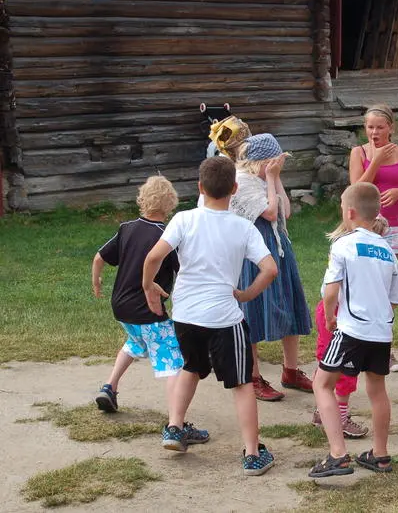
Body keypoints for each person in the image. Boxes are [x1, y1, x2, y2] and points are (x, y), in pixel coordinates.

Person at [142, 156, 279, 476]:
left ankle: (175, 427)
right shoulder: (243, 227)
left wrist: (149, 287)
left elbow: (153, 257)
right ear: (234, 188)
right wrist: (246, 294)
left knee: (191, 367)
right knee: (242, 383)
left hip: (186, 315)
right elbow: (270, 269)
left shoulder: (183, 220)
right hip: (224, 319)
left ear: (200, 187)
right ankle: (252, 452)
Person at [309, 182, 398, 478]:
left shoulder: (343, 244)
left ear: (349, 212)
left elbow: (331, 290)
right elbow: (394, 300)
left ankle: (338, 455)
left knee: (322, 384)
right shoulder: (388, 250)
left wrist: (329, 319)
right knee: (377, 390)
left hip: (351, 329)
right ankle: (381, 454)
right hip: (381, 332)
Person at [91, 176, 193, 430]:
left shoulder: (127, 228)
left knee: (134, 343)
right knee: (173, 362)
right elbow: (185, 272)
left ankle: (109, 387)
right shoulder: (167, 236)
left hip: (121, 307)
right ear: (171, 203)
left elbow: (99, 257)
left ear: (142, 199)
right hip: (148, 309)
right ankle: (176, 425)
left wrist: (96, 281)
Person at [229, 133, 313, 401]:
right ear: (263, 161)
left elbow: (285, 211)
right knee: (253, 311)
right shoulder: (243, 182)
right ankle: (253, 376)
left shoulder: (266, 180)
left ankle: (290, 370)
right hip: (253, 255)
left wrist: (275, 179)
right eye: (277, 161)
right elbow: (269, 213)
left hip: (277, 248)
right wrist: (272, 179)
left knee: (289, 304)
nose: (280, 166)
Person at [349, 104, 398, 373]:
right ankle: (357, 341)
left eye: (380, 127)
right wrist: (376, 160)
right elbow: (357, 189)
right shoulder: (358, 152)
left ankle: (385, 349)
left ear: (391, 127)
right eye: (370, 127)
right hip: (362, 225)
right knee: (361, 283)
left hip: (392, 228)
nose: (374, 132)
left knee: (386, 288)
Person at [310, 215, 389, 439]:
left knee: (328, 360)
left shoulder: (344, 249)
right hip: (339, 315)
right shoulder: (349, 253)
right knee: (345, 368)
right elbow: (331, 291)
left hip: (331, 311)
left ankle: (322, 411)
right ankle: (340, 417)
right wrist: (329, 316)